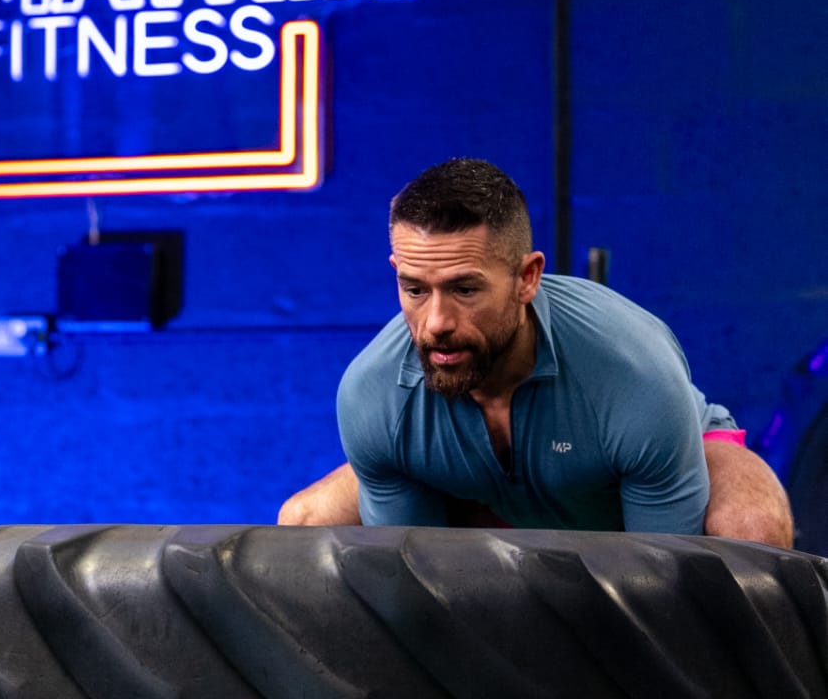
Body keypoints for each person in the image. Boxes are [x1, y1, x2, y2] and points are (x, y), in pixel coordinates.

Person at [278, 158, 793, 545]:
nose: (435, 324)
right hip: (487, 494)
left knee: (749, 528)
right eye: (415, 289)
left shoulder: (634, 376)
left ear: (526, 278)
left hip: (652, 471)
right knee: (304, 523)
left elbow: (665, 581)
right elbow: (412, 582)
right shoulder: (373, 393)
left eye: (465, 289)